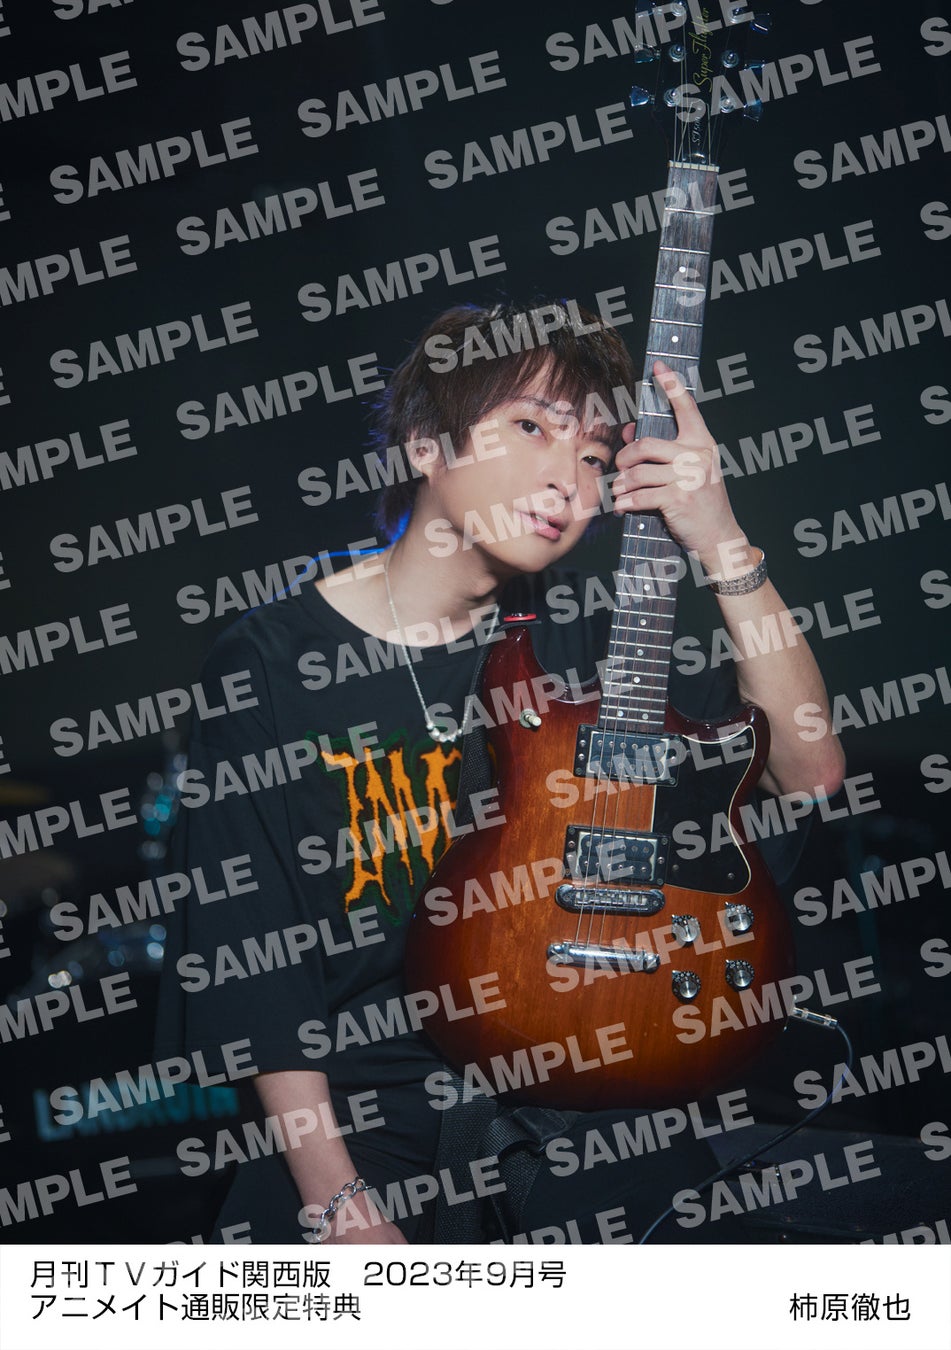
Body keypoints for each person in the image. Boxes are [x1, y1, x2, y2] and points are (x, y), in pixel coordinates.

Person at [154, 300, 845, 1245]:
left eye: (595, 456)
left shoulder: (595, 639)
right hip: (365, 1119)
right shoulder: (272, 662)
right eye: (530, 427)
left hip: (591, 1097)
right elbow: (254, 967)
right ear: (425, 444)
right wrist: (338, 1201)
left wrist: (721, 538)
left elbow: (807, 769)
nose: (568, 478)